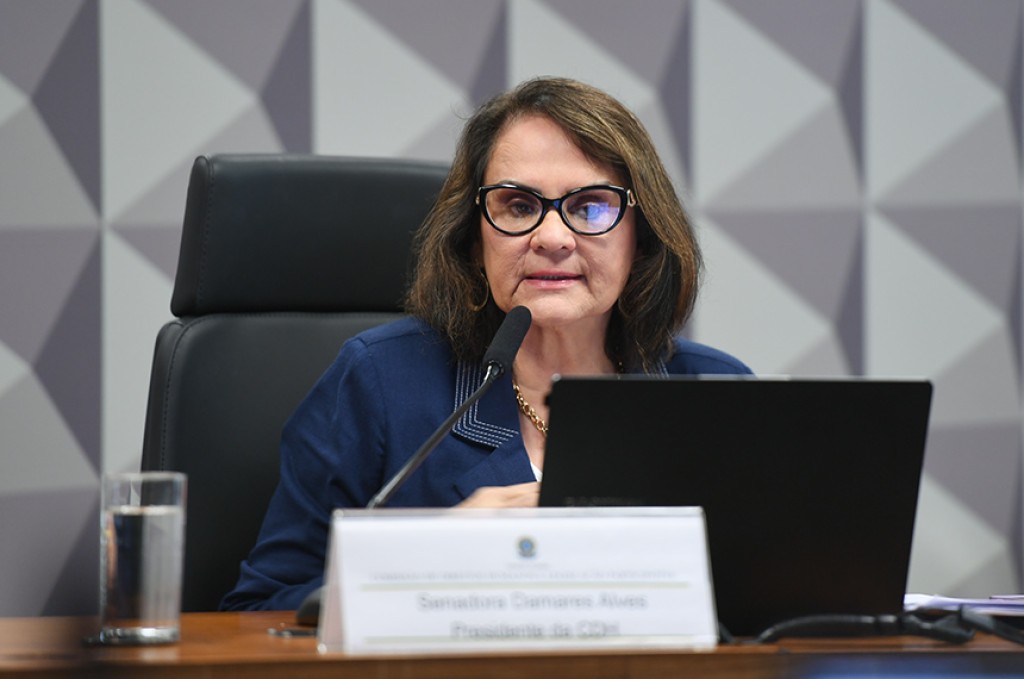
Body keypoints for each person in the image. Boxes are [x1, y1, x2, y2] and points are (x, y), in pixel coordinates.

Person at [220, 77, 751, 611]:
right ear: (475, 240)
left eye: (590, 206)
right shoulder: (379, 383)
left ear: (641, 237)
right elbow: (262, 608)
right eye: (518, 206)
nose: (552, 238)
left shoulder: (719, 394)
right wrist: (437, 556)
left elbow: (774, 611)